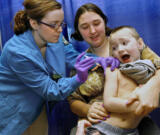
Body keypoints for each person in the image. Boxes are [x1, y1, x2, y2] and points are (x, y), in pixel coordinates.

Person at [0, 0, 119, 135]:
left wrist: (100, 60)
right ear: (34, 23)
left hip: (36, 108)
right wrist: (78, 78)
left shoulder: (53, 35)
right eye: (53, 25)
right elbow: (50, 89)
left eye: (61, 23)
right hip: (13, 115)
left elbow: (73, 58)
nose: (60, 29)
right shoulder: (17, 52)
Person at [67, 3, 160, 135]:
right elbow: (73, 100)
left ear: (104, 22)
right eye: (85, 27)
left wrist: (152, 87)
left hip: (136, 120)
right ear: (78, 31)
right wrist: (87, 109)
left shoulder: (129, 46)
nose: (92, 31)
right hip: (98, 124)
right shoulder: (80, 63)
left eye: (96, 23)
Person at [83, 26, 160, 135]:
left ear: (140, 44)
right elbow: (109, 102)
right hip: (105, 128)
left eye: (124, 43)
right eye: (114, 48)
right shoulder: (114, 70)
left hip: (132, 131)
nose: (119, 49)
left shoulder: (148, 71)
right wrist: (137, 105)